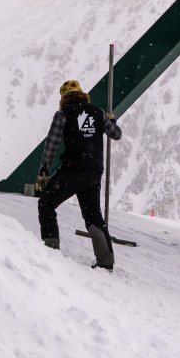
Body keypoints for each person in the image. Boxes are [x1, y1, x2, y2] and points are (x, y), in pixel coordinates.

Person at [35, 80, 122, 270]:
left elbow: (52, 145)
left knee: (46, 204)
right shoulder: (98, 112)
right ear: (82, 93)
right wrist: (112, 121)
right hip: (94, 172)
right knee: (94, 215)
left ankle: (51, 252)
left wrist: (44, 172)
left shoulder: (62, 114)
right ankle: (106, 261)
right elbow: (116, 134)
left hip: (73, 170)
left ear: (64, 97)